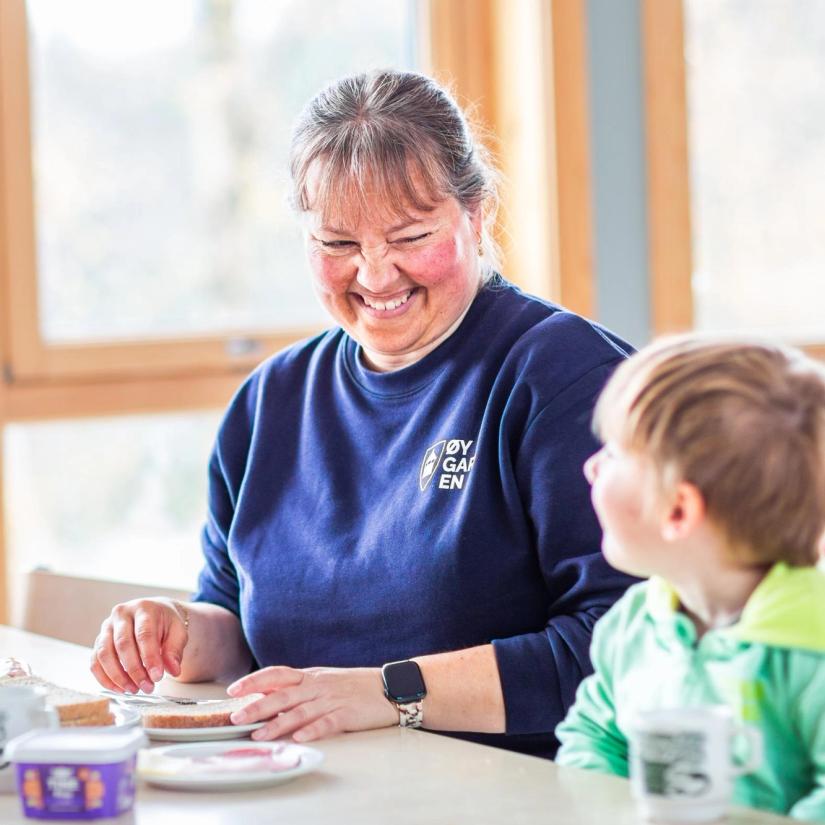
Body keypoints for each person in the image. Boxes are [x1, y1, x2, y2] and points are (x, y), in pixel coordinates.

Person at [90, 69, 634, 758]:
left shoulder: (565, 375)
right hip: (309, 786)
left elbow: (626, 646)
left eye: (409, 236)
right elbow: (235, 627)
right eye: (337, 244)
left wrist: (386, 691)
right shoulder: (270, 401)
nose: (375, 276)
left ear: (478, 214)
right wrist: (176, 630)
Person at [555, 336, 825, 818]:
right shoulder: (633, 624)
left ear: (678, 511)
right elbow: (594, 739)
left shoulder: (811, 649)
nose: (591, 467)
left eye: (614, 453)